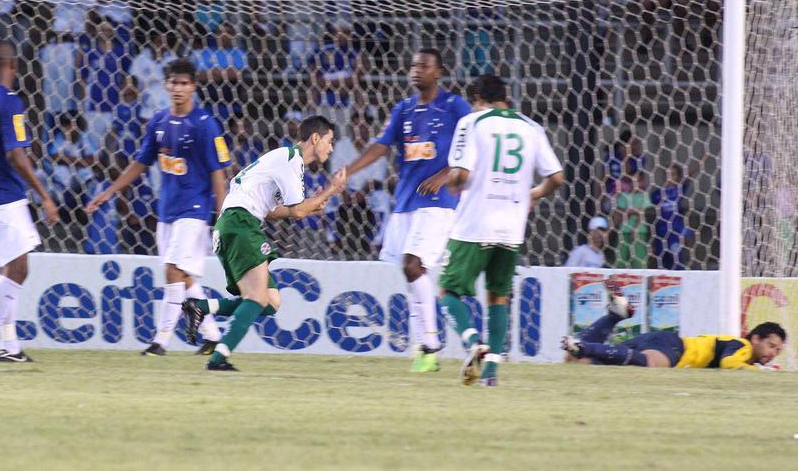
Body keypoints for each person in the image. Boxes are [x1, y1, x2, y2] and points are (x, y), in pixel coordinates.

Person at [86, 59, 231, 356]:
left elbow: (219, 174)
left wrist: (223, 215)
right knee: (183, 276)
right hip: (167, 211)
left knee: (173, 270)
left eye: (184, 83)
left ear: (193, 87)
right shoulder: (159, 121)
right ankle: (213, 336)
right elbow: (140, 163)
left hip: (195, 209)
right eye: (173, 83)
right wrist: (109, 192)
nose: (178, 88)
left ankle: (160, 341)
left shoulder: (205, 125)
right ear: (165, 85)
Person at [182, 116, 348, 371]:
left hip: (233, 223)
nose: (332, 147)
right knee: (257, 297)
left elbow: (273, 210)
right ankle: (218, 359)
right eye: (330, 140)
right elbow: (297, 213)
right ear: (315, 138)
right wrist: (331, 189)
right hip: (240, 224)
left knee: (270, 301)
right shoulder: (290, 160)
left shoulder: (285, 160)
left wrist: (312, 205)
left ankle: (201, 307)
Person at [343, 49, 471, 373]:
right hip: (405, 203)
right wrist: (348, 170)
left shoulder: (455, 107)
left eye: (424, 66)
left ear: (439, 71)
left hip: (439, 203)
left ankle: (430, 342)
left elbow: (475, 145)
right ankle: (424, 352)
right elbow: (381, 145)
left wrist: (446, 174)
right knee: (410, 273)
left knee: (413, 266)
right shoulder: (404, 109)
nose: (416, 71)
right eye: (413, 65)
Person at [438, 74, 565, 387]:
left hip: (475, 223)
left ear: (478, 98)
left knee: (447, 291)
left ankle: (472, 343)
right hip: (512, 227)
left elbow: (461, 173)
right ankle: (491, 374)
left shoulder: (473, 122)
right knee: (498, 297)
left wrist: (452, 183)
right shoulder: (531, 127)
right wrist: (533, 194)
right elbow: (557, 177)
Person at [0, 40, 58, 362]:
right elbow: (16, 154)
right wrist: (44, 196)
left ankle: (11, 346)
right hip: (3, 196)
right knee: (17, 268)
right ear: (13, 66)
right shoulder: (9, 101)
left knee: (11, 267)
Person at [563, 289, 786, 370]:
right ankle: (585, 346)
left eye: (777, 351)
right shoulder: (743, 346)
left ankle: (613, 317)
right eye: (771, 345)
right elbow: (729, 363)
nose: (772, 353)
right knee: (649, 364)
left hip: (655, 340)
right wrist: (761, 370)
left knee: (574, 364)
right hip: (675, 347)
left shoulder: (743, 350)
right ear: (756, 338)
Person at [651, 163, 692, 270]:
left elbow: (690, 175)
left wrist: (703, 158)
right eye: (668, 174)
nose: (670, 177)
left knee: (677, 262)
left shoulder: (679, 190)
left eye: (673, 174)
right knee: (662, 264)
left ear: (677, 177)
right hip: (660, 233)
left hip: (675, 233)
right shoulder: (657, 194)